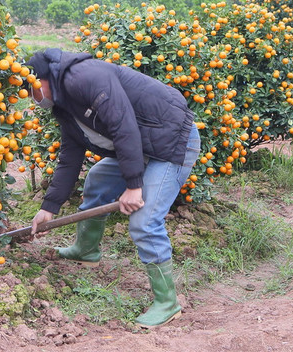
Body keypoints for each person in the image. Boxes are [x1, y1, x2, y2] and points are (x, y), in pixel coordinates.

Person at [27, 48, 201, 327]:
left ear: (41, 79)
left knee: (144, 221)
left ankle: (168, 302)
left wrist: (134, 185)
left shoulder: (83, 78)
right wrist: (49, 207)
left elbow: (123, 124)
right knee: (97, 179)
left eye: (30, 89)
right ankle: (86, 250)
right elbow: (71, 153)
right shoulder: (63, 104)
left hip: (172, 143)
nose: (30, 97)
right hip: (141, 146)